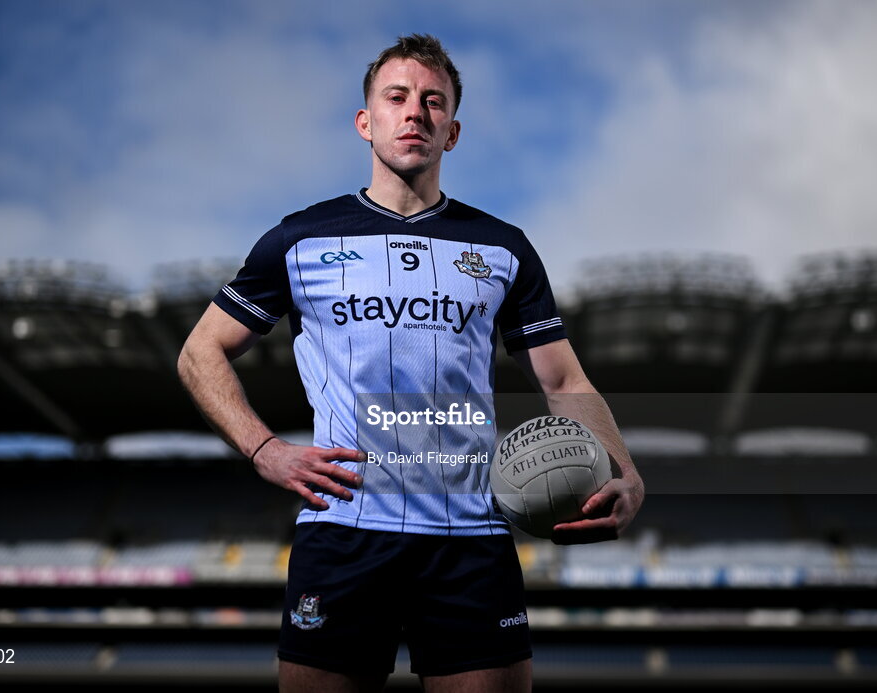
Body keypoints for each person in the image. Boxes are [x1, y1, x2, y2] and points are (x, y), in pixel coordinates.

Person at [178, 34, 644, 693]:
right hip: (343, 530)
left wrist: (623, 469)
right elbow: (201, 349)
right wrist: (262, 450)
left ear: (452, 132)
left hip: (470, 536)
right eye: (397, 98)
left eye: (434, 102)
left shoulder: (503, 248)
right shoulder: (299, 239)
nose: (415, 112)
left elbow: (564, 380)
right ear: (366, 122)